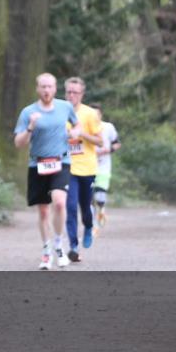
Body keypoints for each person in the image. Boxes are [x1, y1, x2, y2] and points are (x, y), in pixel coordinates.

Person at [13, 73, 79, 269]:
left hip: (61, 161)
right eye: (43, 87)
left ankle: (59, 245)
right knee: (43, 212)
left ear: (55, 88)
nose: (46, 90)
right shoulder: (28, 112)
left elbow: (77, 124)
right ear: (37, 88)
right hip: (38, 165)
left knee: (59, 203)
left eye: (49, 87)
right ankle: (46, 251)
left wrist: (75, 132)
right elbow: (18, 143)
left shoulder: (65, 107)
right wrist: (31, 127)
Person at [64, 77, 103, 261]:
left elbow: (99, 141)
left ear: (82, 94)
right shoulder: (60, 111)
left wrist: (82, 134)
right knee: (70, 207)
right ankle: (73, 246)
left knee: (85, 208)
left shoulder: (89, 114)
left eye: (75, 92)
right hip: (67, 167)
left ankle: (88, 226)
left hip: (87, 168)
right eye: (69, 92)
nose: (72, 95)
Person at [89, 104, 121, 232]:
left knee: (100, 195)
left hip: (103, 167)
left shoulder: (108, 127)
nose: (95, 117)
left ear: (101, 115)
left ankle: (101, 210)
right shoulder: (84, 127)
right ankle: (92, 225)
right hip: (87, 167)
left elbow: (117, 143)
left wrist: (109, 150)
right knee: (89, 198)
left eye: (97, 114)